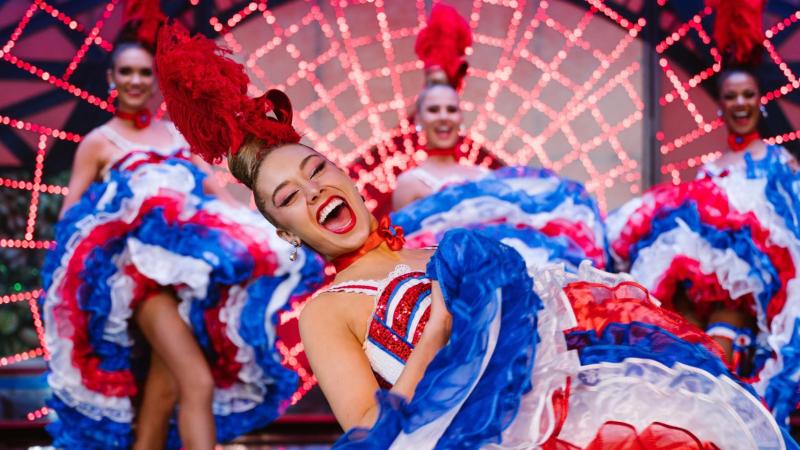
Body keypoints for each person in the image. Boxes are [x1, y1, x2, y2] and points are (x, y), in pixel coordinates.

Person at [157, 21, 797, 448]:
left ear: (345, 174)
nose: (314, 191)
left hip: (578, 413)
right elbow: (370, 434)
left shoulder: (439, 250)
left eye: (316, 170)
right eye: (288, 198)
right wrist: (435, 337)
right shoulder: (326, 311)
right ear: (287, 230)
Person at [40, 13, 324, 450]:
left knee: (164, 393)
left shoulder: (174, 136)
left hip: (186, 286)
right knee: (197, 381)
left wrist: (275, 233)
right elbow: (70, 221)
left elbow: (220, 202)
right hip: (138, 286)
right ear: (112, 79)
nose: (136, 81)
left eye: (144, 72)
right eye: (126, 72)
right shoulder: (99, 141)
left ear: (154, 81)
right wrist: (117, 214)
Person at [607, 0, 800, 430]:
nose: (740, 104)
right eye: (731, 96)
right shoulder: (709, 171)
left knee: (721, 385)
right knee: (678, 378)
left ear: (760, 101)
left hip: (751, 313)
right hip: (696, 304)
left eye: (747, 95)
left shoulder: (780, 163)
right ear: (721, 105)